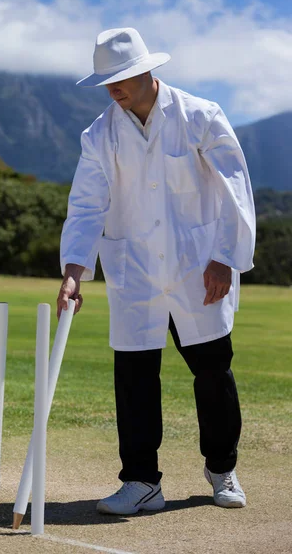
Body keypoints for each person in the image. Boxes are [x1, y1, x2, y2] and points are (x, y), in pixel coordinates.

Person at [57, 27, 256, 515]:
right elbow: (86, 207)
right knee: (135, 376)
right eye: (107, 81)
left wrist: (226, 257)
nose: (113, 89)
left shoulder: (201, 116)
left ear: (147, 72)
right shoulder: (98, 135)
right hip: (134, 271)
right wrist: (72, 272)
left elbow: (235, 188)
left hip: (199, 266)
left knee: (213, 371)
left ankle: (221, 467)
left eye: (121, 78)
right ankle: (142, 481)